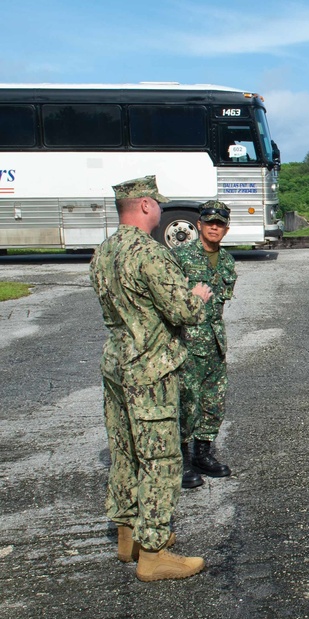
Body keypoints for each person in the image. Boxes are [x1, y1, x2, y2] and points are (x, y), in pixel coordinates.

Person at [89, 175, 211, 581]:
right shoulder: (150, 253)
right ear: (143, 205)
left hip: (116, 362)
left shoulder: (104, 250)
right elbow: (184, 312)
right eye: (157, 203)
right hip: (151, 367)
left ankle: (129, 532)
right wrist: (199, 296)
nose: (161, 210)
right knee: (160, 458)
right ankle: (154, 551)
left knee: (124, 449)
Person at [175, 200, 238, 489]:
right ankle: (182, 460)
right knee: (187, 401)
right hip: (187, 343)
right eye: (209, 222)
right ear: (198, 224)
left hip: (214, 342)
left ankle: (203, 453)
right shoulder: (180, 257)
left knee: (214, 402)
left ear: (226, 227)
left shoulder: (226, 261)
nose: (215, 227)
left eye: (220, 223)